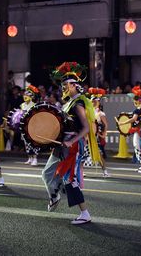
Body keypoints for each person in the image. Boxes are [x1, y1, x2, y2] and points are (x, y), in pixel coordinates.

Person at [42, 62, 101, 225]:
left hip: (73, 146)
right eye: (62, 85)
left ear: (75, 85)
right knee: (47, 173)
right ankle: (55, 196)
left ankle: (85, 213)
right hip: (63, 144)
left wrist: (71, 142)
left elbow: (86, 128)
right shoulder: (68, 103)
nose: (63, 87)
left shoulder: (79, 104)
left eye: (66, 84)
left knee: (70, 179)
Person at [118, 81, 141, 173]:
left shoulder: (138, 109)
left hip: (139, 130)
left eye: (136, 99)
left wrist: (123, 122)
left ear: (139, 100)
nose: (134, 101)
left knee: (137, 147)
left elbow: (133, 119)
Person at [85, 87, 109, 177]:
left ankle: (105, 171)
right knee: (83, 154)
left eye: (96, 101)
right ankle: (79, 171)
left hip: (95, 136)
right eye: (92, 101)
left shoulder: (100, 113)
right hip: (87, 136)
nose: (94, 102)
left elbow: (105, 125)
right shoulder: (88, 111)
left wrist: (104, 134)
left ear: (99, 102)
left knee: (98, 154)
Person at [20, 85, 40, 166]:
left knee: (33, 143)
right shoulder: (22, 105)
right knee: (26, 143)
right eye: (24, 95)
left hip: (33, 126)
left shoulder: (35, 105)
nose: (25, 96)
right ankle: (30, 158)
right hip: (24, 126)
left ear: (32, 96)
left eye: (27, 95)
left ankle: (35, 158)